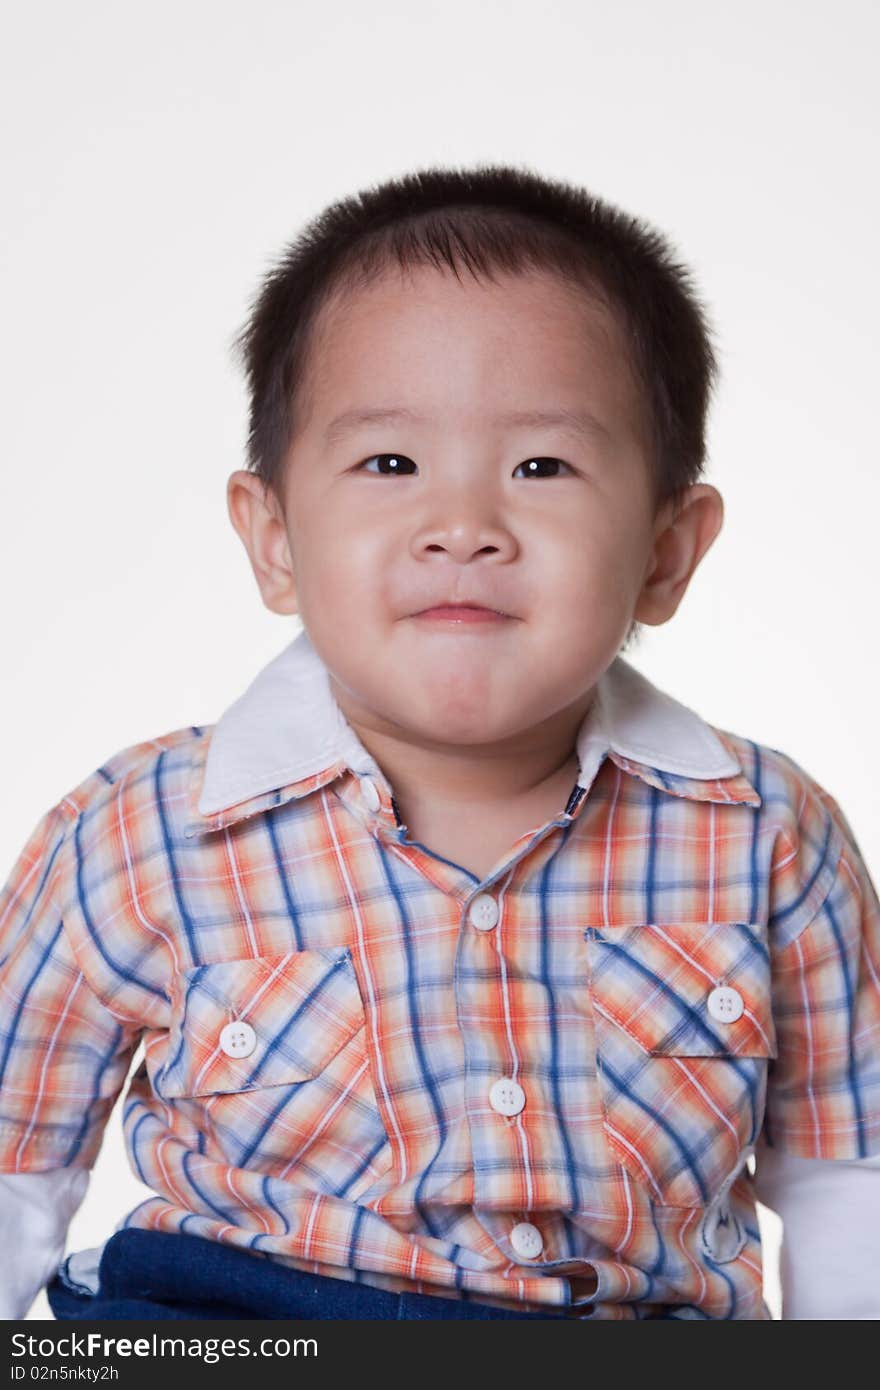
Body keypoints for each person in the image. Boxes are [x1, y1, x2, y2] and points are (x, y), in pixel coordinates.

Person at [1, 163, 878, 1322]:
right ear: (272, 538)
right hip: (239, 1332)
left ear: (667, 552)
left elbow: (845, 1177)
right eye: (390, 464)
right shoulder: (135, 832)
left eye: (541, 466)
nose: (462, 525)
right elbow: (17, 1170)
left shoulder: (767, 833)